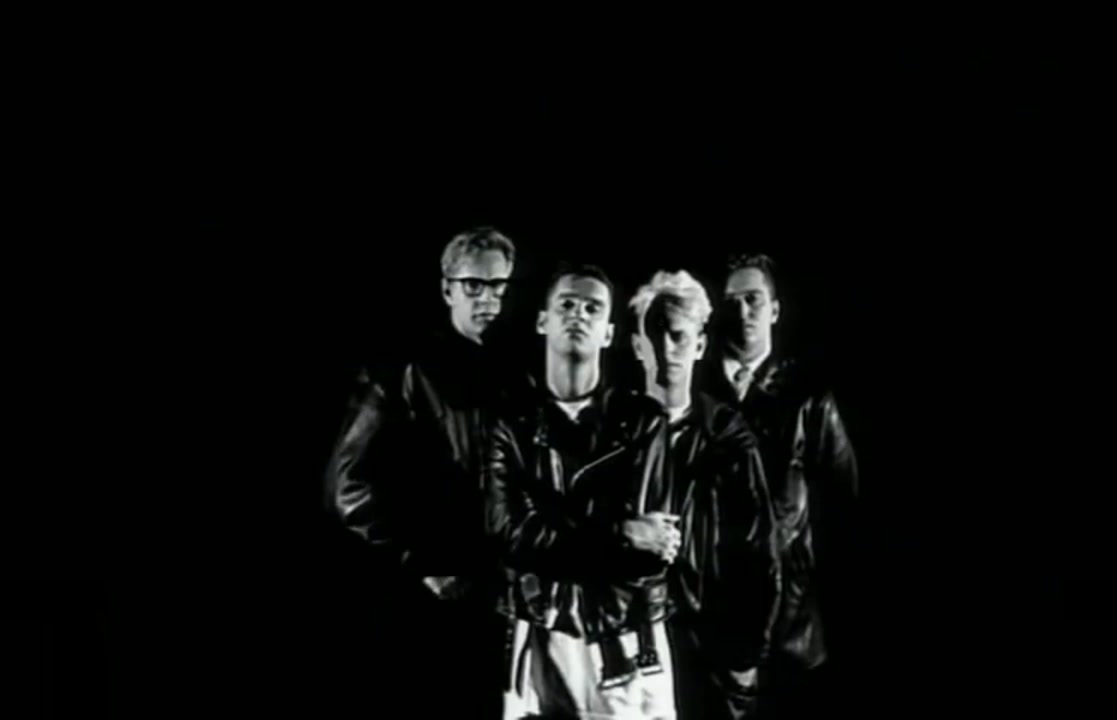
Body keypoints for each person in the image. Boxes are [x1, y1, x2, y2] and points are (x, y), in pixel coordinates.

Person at [323, 226, 519, 718]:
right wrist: (422, 561)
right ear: (447, 289)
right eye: (474, 285)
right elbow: (347, 485)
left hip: (496, 601)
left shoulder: (513, 376)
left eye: (498, 286)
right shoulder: (403, 370)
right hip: (420, 605)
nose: (488, 299)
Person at [487, 263, 684, 719]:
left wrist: (549, 525)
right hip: (540, 628)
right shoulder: (512, 425)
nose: (578, 314)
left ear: (609, 333)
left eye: (592, 308)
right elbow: (509, 535)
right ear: (543, 321)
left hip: (625, 634)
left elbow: (649, 554)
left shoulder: (642, 422)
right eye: (567, 304)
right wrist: (621, 531)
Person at [701, 254, 860, 719]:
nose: (742, 311)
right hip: (711, 622)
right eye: (732, 301)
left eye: (753, 299)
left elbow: (845, 503)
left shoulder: (808, 398)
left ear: (774, 309)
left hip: (793, 629)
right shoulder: (694, 391)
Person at [627, 270, 782, 720]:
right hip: (627, 640)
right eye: (655, 334)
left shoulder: (727, 436)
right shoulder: (613, 432)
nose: (666, 349)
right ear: (636, 345)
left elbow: (760, 549)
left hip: (706, 644)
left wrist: (746, 653)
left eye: (678, 336)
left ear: (698, 345)